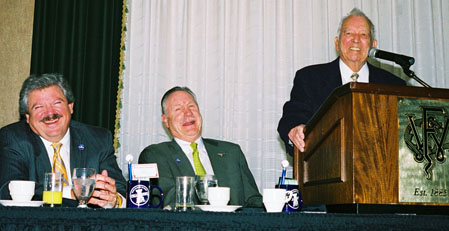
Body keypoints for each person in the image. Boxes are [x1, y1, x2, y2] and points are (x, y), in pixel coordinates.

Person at [278, 8, 406, 155]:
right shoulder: (310, 79)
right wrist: (295, 130)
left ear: (373, 44)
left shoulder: (394, 85)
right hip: (325, 168)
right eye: (348, 33)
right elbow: (292, 117)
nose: (356, 39)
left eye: (363, 34)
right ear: (337, 42)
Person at [0, 73, 126, 208]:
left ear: (70, 107)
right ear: (27, 117)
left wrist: (115, 200)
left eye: (57, 103)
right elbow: (9, 191)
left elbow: (122, 190)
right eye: (39, 107)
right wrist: (72, 193)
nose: (49, 113)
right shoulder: (13, 138)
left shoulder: (97, 139)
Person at [139, 86, 263, 209]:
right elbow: (170, 200)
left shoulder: (231, 152)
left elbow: (253, 200)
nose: (188, 113)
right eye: (178, 109)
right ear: (165, 120)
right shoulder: (155, 155)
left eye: (191, 106)